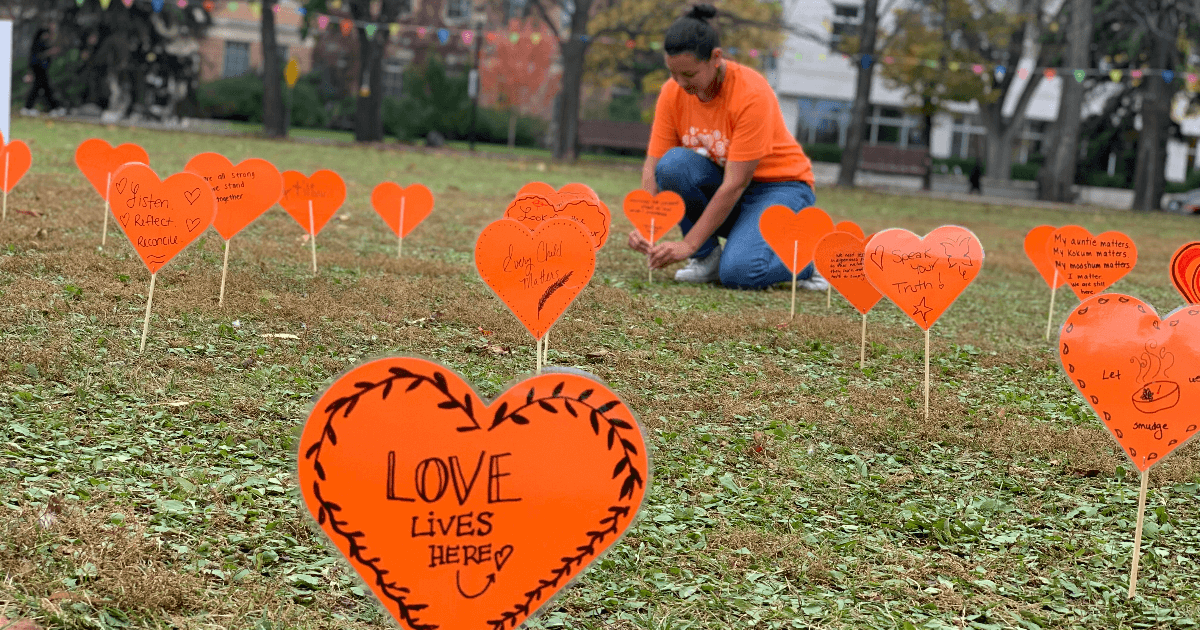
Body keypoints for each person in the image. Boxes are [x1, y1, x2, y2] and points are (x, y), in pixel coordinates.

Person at [626, 4, 825, 290]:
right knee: (674, 166)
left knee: (740, 273)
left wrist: (686, 244)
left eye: (690, 75)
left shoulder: (751, 93)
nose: (680, 83)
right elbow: (653, 166)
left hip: (780, 187)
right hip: (730, 190)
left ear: (715, 58)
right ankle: (706, 259)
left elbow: (735, 184)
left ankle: (807, 258)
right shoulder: (672, 92)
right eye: (673, 74)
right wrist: (647, 223)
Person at [22, 27, 64, 117]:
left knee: (43, 88)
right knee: (42, 88)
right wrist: (50, 52)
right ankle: (53, 108)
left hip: (43, 69)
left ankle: (53, 108)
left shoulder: (45, 44)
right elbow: (38, 57)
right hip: (37, 69)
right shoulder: (37, 44)